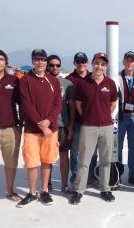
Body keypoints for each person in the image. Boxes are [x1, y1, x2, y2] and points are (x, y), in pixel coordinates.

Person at [70, 53, 118, 204]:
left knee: (105, 160)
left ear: (106, 67)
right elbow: (78, 104)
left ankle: (105, 189)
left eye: (103, 64)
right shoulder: (83, 83)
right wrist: (89, 117)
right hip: (88, 127)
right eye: (97, 63)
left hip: (106, 127)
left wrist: (103, 116)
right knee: (84, 160)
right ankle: (78, 190)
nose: (99, 67)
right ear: (92, 64)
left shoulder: (110, 83)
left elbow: (113, 104)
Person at [17, 49, 62, 207]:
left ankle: (44, 191)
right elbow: (27, 105)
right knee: (31, 161)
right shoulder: (25, 80)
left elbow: (58, 104)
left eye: (43, 59)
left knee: (47, 160)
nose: (40, 62)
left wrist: (49, 121)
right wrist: (41, 125)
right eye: (37, 59)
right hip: (32, 129)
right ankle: (32, 192)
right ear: (32, 60)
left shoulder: (53, 80)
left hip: (51, 129)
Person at [0, 49, 22, 206]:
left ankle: (10, 190)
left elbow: (23, 103)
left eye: (1, 59)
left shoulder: (14, 81)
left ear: (5, 62)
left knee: (11, 163)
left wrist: (20, 124)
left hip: (10, 128)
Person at [66, 52, 98, 185]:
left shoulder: (94, 77)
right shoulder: (69, 79)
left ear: (87, 62)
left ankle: (90, 176)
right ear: (74, 63)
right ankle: (75, 176)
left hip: (93, 121)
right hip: (77, 121)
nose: (81, 64)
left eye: (83, 61)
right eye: (78, 61)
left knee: (93, 152)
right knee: (75, 151)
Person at [47, 55, 75, 192]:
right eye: (52, 65)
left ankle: (64, 185)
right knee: (47, 156)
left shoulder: (67, 84)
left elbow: (72, 107)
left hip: (63, 125)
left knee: (64, 155)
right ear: (47, 65)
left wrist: (70, 126)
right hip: (48, 126)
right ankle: (47, 183)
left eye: (58, 65)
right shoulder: (43, 81)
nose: (55, 68)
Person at [118, 51, 134, 186]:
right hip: (121, 118)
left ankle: (133, 174)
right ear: (123, 62)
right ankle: (118, 173)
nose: (129, 63)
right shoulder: (117, 78)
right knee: (119, 146)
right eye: (127, 60)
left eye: (132, 61)